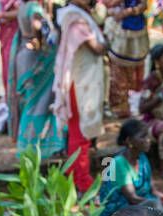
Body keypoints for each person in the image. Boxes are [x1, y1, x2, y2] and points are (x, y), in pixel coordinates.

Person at [54, 0, 106, 192]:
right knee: (80, 134)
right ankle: (82, 182)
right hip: (80, 84)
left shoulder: (77, 16)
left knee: (79, 133)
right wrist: (106, 43)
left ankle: (74, 178)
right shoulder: (75, 20)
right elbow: (97, 47)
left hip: (83, 82)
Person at [98, 119, 163, 216]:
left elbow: (153, 190)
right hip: (119, 211)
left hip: (141, 203)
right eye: (143, 136)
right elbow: (133, 199)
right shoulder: (119, 163)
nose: (148, 140)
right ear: (129, 141)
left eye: (147, 136)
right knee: (156, 207)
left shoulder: (142, 157)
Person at [7, 0, 62, 160]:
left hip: (24, 55)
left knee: (29, 103)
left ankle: (27, 145)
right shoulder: (33, 7)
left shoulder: (23, 6)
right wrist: (38, 39)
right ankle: (39, 146)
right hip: (36, 59)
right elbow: (36, 24)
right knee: (39, 103)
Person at [105, 0, 149, 118]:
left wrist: (128, 12)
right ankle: (119, 107)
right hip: (119, 33)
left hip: (135, 31)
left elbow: (143, 5)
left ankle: (131, 103)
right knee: (117, 72)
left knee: (133, 72)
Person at [0, 0, 21, 99]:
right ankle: (9, 100)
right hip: (5, 35)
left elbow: (21, 11)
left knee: (11, 68)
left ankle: (14, 100)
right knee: (6, 68)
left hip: (15, 35)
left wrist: (1, 15)